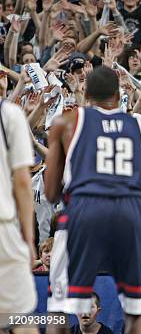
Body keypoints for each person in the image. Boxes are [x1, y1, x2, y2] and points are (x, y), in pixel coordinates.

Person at [45, 67, 141, 334]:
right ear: (118, 95)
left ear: (87, 94)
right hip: (134, 213)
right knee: (135, 313)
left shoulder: (67, 122)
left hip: (85, 210)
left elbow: (51, 193)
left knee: (58, 308)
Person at [0, 97, 38, 334]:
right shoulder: (9, 114)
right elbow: (23, 182)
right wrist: (28, 237)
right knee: (20, 320)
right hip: (3, 231)